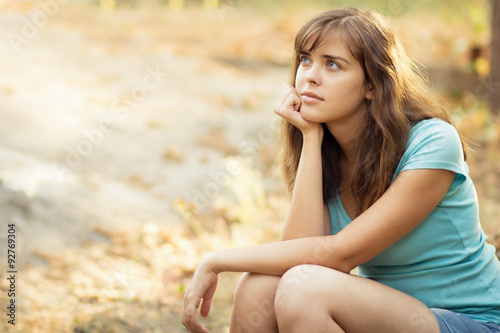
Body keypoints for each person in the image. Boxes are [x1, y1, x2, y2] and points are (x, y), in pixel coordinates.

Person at [181, 7, 500, 333]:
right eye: (306, 59)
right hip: (390, 318)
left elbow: (335, 256)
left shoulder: (432, 142)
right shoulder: (327, 155)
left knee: (304, 290)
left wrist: (216, 260)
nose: (310, 75)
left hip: (473, 323)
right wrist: (310, 137)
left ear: (372, 85)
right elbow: (296, 256)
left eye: (332, 64)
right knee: (260, 286)